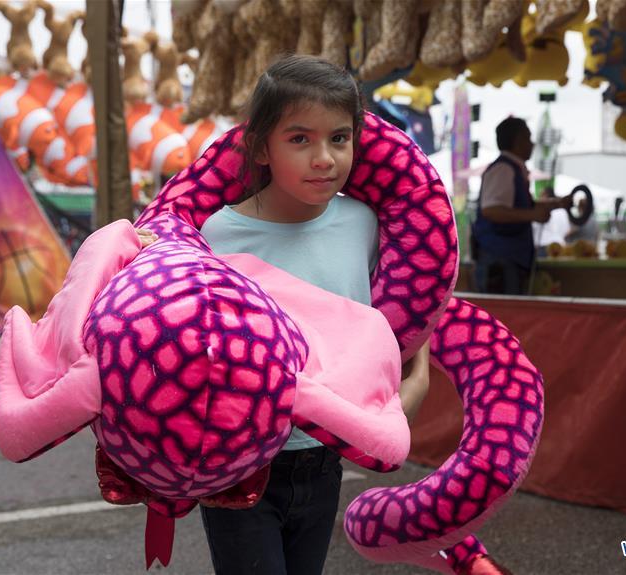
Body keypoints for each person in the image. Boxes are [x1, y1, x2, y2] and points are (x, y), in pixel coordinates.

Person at [138, 55, 430, 575]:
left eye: (339, 138)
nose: (324, 158)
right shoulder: (214, 237)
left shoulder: (364, 224)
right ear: (259, 148)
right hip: (240, 465)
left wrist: (416, 374)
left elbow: (399, 309)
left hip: (325, 460)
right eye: (300, 139)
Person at [471, 117, 570, 294]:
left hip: (510, 259)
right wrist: (533, 215)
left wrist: (558, 203)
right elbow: (492, 210)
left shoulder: (515, 170)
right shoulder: (503, 169)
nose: (532, 144)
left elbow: (525, 206)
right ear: (518, 141)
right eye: (529, 138)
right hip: (500, 260)